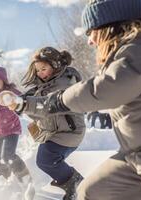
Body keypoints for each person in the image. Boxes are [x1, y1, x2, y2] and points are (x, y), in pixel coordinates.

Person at [16, 0, 141, 199]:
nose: (90, 41)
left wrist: (56, 101)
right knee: (91, 193)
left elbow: (106, 88)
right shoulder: (132, 51)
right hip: (138, 154)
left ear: (109, 27)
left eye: (90, 32)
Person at [12, 47, 86, 200]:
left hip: (69, 132)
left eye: (44, 69)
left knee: (46, 159)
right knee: (46, 159)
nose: (40, 73)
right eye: (37, 70)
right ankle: (72, 185)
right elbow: (34, 99)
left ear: (56, 65)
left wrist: (25, 104)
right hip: (57, 132)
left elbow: (47, 105)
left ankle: (74, 183)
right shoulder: (44, 85)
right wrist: (16, 102)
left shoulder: (65, 83)